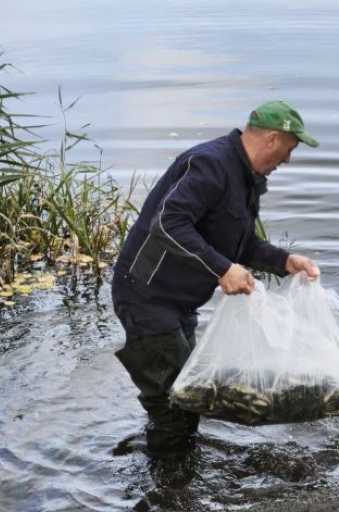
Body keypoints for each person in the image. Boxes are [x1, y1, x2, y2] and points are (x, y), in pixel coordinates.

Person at [111, 100, 321, 453]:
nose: (288, 159)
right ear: (272, 139)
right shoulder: (210, 164)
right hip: (146, 298)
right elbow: (168, 223)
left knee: (184, 398)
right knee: (173, 407)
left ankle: (166, 468)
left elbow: (240, 243)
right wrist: (222, 269)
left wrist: (285, 261)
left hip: (179, 303)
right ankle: (166, 477)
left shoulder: (246, 179)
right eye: (289, 148)